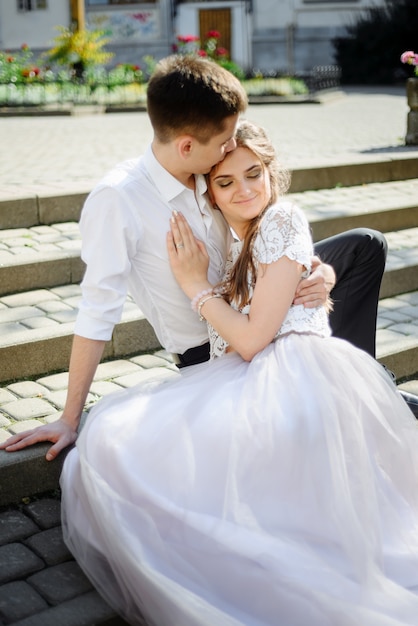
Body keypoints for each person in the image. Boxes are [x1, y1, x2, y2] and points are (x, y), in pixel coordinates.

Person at [59, 119, 418, 626]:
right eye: (226, 182)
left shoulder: (279, 220)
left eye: (254, 174)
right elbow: (266, 289)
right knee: (118, 442)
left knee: (123, 447)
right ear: (209, 194)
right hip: (251, 367)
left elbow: (250, 339)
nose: (244, 189)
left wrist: (194, 284)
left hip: (282, 369)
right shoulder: (236, 236)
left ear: (271, 173)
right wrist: (314, 268)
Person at [0, 54, 414, 464]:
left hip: (254, 300)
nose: (231, 146)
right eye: (225, 140)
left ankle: (363, 390)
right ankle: (357, 400)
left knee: (363, 245)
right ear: (186, 146)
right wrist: (69, 418)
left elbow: (265, 233)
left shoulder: (206, 166)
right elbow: (96, 310)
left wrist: (315, 270)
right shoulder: (119, 200)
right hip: (214, 349)